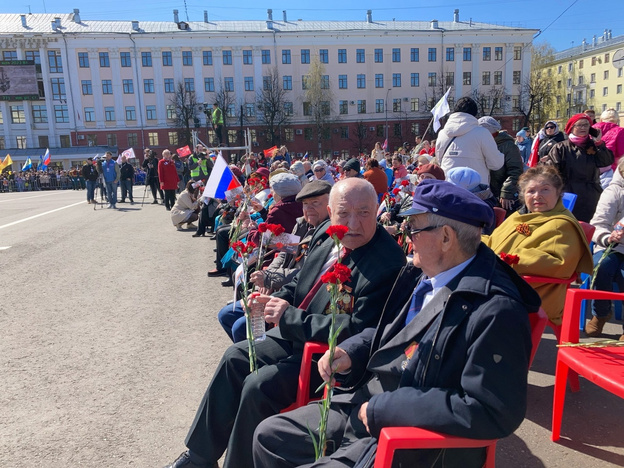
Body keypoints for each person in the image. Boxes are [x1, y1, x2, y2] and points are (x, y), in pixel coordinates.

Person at [253, 179, 541, 468]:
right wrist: (351, 351)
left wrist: (386, 409)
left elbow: (492, 411)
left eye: (413, 227)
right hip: (368, 403)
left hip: (407, 439)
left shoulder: (496, 309)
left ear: (445, 238)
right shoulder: (425, 275)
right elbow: (390, 333)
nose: (406, 236)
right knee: (269, 437)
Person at [163, 178, 406, 468]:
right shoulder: (327, 234)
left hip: (328, 357)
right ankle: (200, 457)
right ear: (330, 212)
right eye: (344, 213)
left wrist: (288, 315)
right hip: (296, 336)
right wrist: (272, 299)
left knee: (258, 386)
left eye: (364, 213)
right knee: (234, 357)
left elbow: (358, 330)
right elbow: (302, 284)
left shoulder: (388, 262)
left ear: (377, 209)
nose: (353, 222)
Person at [218, 180, 332, 342]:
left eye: (315, 203)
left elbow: (305, 273)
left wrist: (268, 278)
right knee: (227, 314)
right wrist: (266, 275)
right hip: (280, 278)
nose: (309, 208)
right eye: (305, 204)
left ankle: (257, 357)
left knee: (240, 326)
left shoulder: (328, 233)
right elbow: (285, 253)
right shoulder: (300, 222)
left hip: (294, 294)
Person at [483, 165, 593, 325]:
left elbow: (557, 264)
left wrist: (508, 260)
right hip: (507, 283)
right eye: (531, 191)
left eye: (545, 190)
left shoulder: (561, 225)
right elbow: (494, 242)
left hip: (536, 293)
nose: (537, 196)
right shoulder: (519, 216)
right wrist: (470, 242)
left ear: (558, 192)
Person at [540, 113, 614, 222]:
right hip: (568, 194)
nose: (583, 128)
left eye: (586, 125)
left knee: (589, 228)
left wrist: (599, 143)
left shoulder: (594, 145)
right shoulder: (561, 147)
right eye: (579, 125)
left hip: (591, 195)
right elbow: (551, 172)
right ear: (572, 127)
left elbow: (606, 162)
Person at [587, 157, 624, 341]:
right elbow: (598, 224)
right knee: (602, 268)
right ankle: (600, 313)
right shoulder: (614, 192)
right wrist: (609, 237)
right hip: (611, 245)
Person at [435, 97, 504, 185]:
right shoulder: (482, 133)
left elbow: (439, 160)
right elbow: (496, 164)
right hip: (475, 188)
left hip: (450, 186)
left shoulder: (442, 134)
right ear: (474, 114)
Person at [478, 116, 523, 214]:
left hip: (501, 195)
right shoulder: (480, 144)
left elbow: (515, 170)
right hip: (485, 194)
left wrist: (506, 192)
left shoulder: (508, 146)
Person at [593, 108, 624, 188]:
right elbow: (622, 154)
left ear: (601, 119)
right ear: (617, 120)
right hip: (612, 172)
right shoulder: (620, 131)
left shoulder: (592, 129)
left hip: (592, 170)